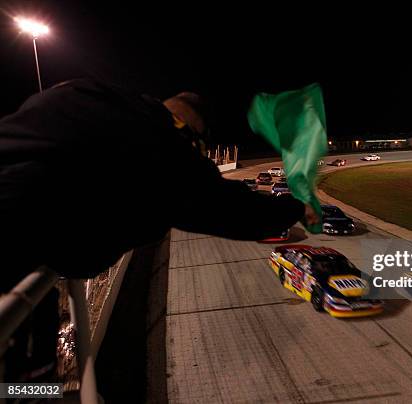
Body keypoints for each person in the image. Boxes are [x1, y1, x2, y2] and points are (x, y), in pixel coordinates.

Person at [0, 78, 318, 380]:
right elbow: (228, 209)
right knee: (30, 373)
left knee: (33, 342)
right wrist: (294, 208)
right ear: (191, 132)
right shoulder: (159, 140)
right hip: (15, 244)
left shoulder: (84, 94)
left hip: (24, 251)